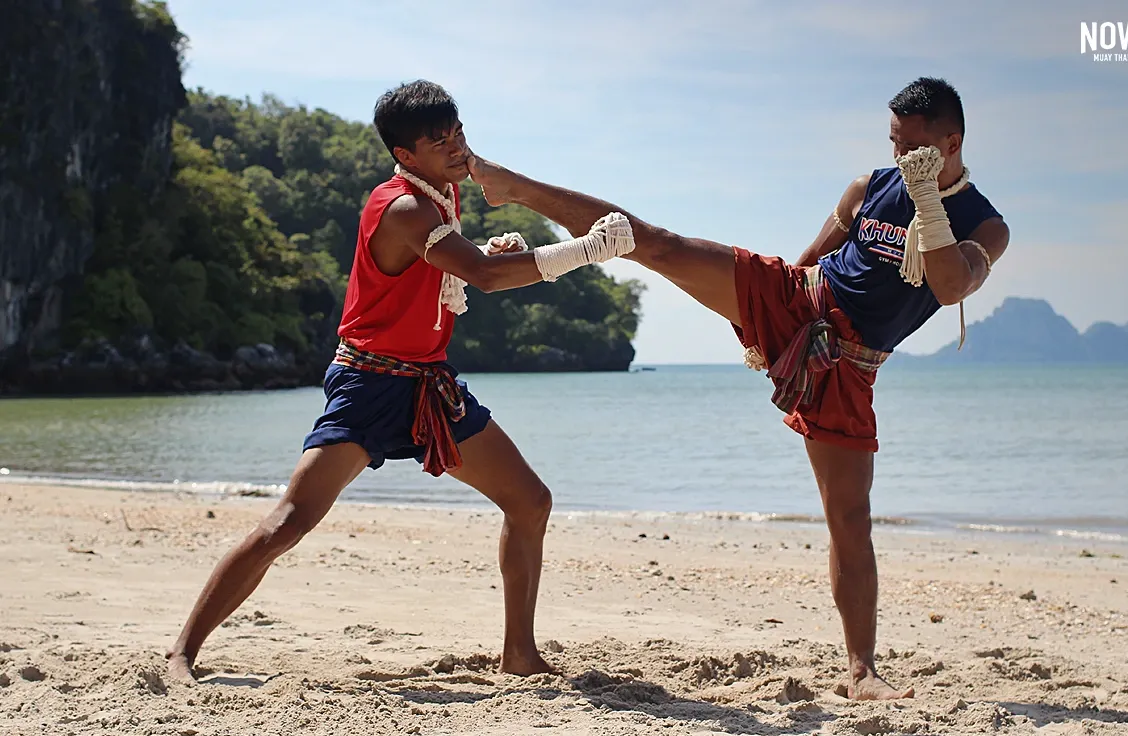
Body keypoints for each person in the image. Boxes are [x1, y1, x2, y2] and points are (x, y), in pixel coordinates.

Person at [466, 77, 1009, 700]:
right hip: (801, 302)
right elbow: (803, 268)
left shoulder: (986, 225)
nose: (899, 159)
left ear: (952, 141)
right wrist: (754, 325)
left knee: (848, 518)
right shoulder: (867, 189)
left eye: (915, 149)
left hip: (851, 363)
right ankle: (515, 187)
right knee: (656, 243)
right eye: (894, 144)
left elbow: (949, 287)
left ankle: (860, 671)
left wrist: (926, 197)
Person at [166, 80, 635, 681]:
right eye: (438, 142)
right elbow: (484, 278)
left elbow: (446, 277)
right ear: (404, 155)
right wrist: (584, 250)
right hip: (368, 384)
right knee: (288, 523)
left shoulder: (442, 193)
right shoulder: (406, 206)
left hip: (429, 388)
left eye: (458, 133)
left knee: (530, 501)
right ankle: (183, 651)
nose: (456, 148)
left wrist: (484, 251)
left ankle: (519, 654)